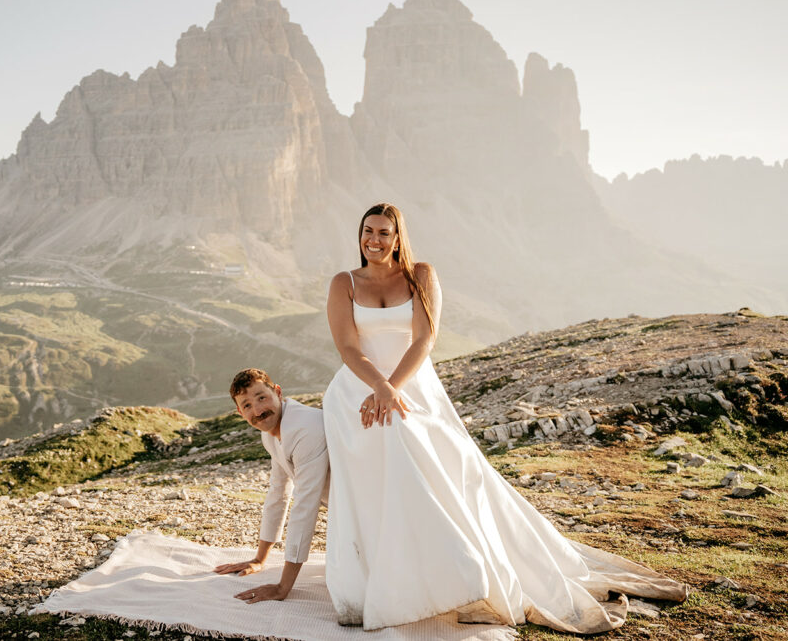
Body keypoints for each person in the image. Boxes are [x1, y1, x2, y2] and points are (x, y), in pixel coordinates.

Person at [321, 203, 688, 633]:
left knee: (424, 455)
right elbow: (348, 347)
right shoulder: (343, 283)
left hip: (411, 385)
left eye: (384, 233)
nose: (374, 240)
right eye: (368, 231)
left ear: (398, 238)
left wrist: (393, 388)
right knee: (375, 479)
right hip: (357, 392)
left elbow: (424, 340)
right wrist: (378, 388)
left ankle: (450, 572)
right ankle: (380, 573)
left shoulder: (421, 274)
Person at [214, 368, 330, 604]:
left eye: (261, 397)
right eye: (246, 405)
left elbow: (305, 508)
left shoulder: (305, 428)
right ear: (240, 412)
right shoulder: (269, 433)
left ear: (277, 392)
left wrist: (282, 587)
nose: (257, 410)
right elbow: (278, 493)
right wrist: (259, 559)